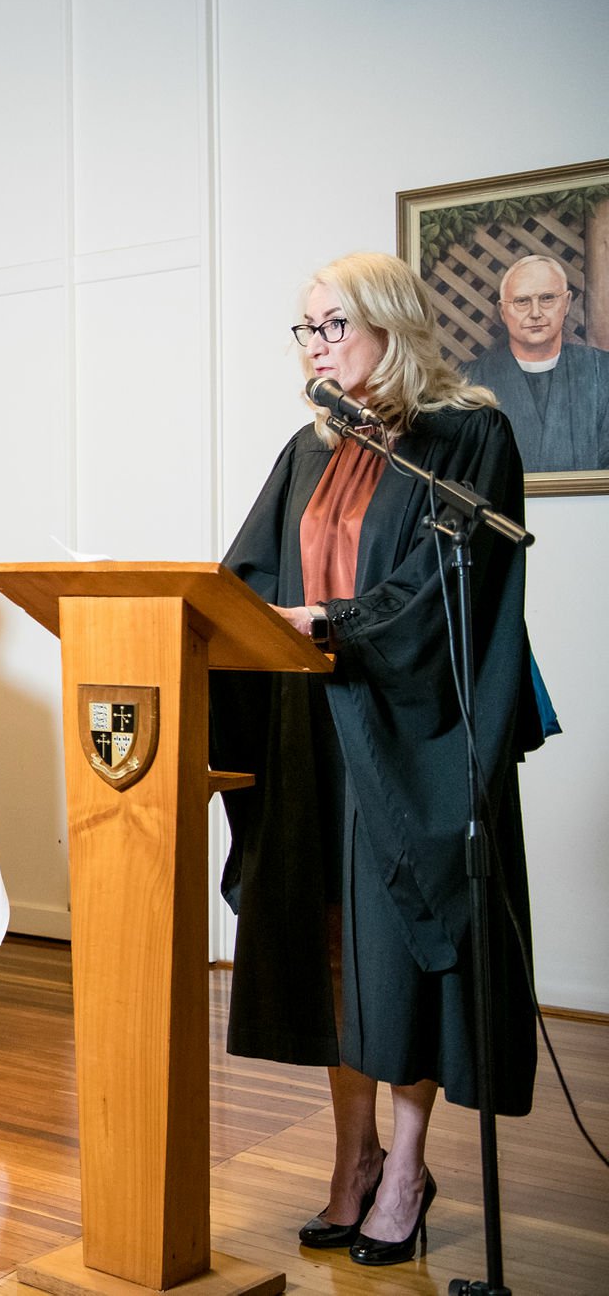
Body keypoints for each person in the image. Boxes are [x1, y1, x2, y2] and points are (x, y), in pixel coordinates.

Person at [214, 251, 539, 1267]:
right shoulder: (306, 450)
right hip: (310, 732)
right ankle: (349, 1161)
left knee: (399, 954)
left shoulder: (464, 435)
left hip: (405, 731)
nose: (311, 345)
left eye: (329, 325)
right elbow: (241, 578)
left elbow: (446, 578)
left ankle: (403, 1166)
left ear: (390, 323)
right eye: (302, 329)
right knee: (330, 956)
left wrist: (334, 620)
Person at [461, 253, 609, 473]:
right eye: (522, 301)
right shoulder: (471, 379)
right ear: (503, 311)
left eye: (547, 298)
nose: (536, 313)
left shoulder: (602, 371)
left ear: (567, 303)